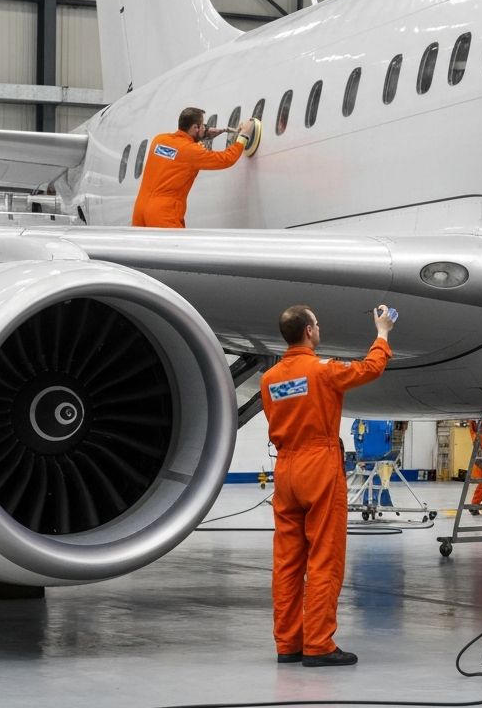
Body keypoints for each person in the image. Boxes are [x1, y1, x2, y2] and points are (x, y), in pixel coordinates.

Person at [260, 303, 396, 667]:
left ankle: (288, 644)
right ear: (308, 331)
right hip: (319, 466)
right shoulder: (323, 370)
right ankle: (318, 644)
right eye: (317, 324)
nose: (319, 329)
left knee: (287, 562)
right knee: (324, 557)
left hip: (286, 469)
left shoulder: (269, 378)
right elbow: (370, 368)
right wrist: (382, 333)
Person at [131, 107, 255, 227]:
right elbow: (226, 159)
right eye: (202, 126)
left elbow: (176, 154)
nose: (204, 128)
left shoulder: (159, 140)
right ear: (195, 127)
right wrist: (243, 137)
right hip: (163, 213)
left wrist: (203, 134)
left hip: (139, 210)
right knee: (175, 247)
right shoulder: (191, 151)